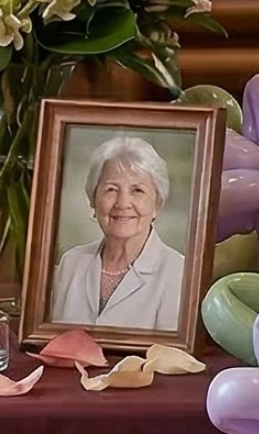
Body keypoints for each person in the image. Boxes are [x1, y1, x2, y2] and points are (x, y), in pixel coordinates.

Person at [46, 132, 186, 331]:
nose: (123, 204)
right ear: (93, 199)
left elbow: (171, 356)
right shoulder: (71, 263)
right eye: (111, 189)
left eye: (137, 190)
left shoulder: (179, 273)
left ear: (157, 204)